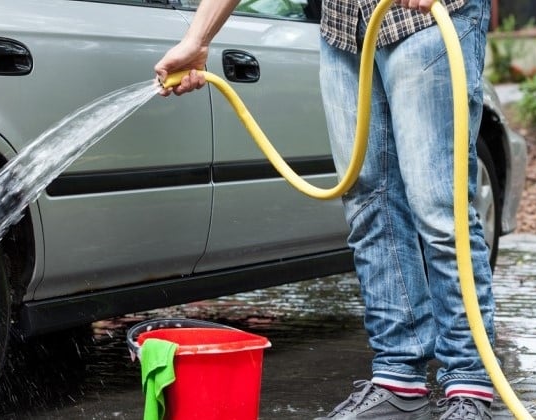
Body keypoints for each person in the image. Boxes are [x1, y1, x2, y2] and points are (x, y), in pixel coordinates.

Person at [154, 0, 495, 419]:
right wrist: (196, 39)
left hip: (424, 19)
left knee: (438, 208)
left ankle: (469, 381)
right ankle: (398, 380)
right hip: (344, 30)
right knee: (369, 204)